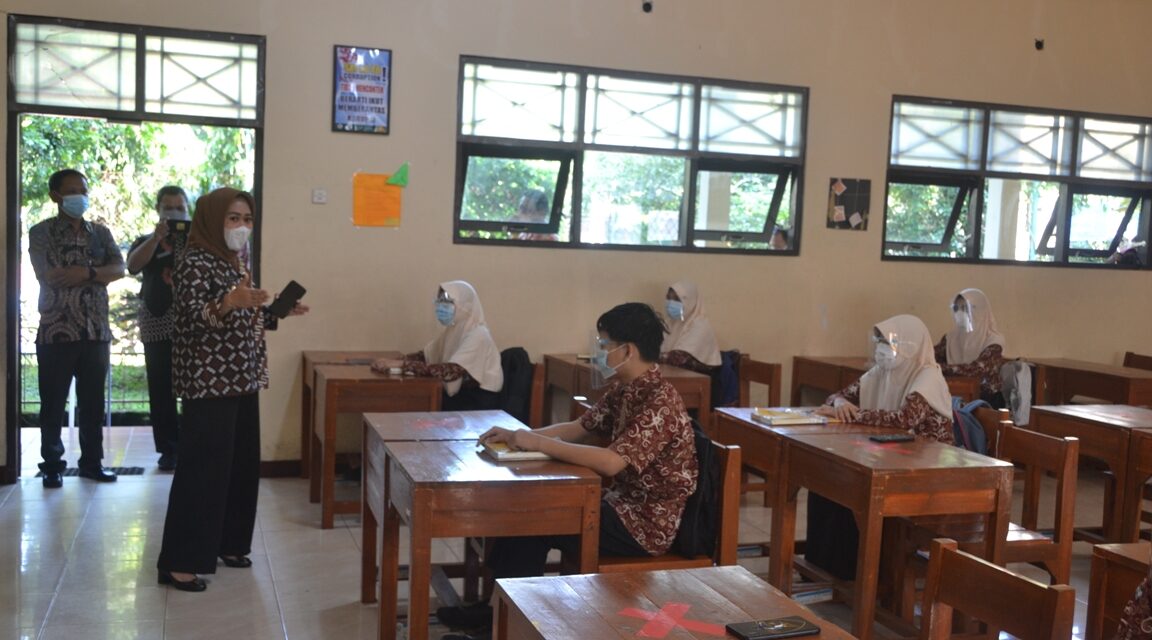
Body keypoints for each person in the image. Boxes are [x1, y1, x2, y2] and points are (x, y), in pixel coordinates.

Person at [436, 303, 698, 640]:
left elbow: (611, 461)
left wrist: (538, 444)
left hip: (644, 523)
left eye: (605, 345)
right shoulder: (627, 388)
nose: (601, 353)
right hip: (619, 504)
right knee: (524, 507)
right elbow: (580, 426)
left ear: (628, 350)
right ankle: (495, 610)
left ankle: (503, 628)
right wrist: (520, 438)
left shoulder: (660, 401)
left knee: (538, 520)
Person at [156, 187, 308, 592]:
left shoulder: (234, 260)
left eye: (247, 219)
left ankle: (229, 543)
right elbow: (191, 317)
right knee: (202, 470)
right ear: (211, 219)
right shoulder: (192, 260)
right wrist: (228, 302)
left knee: (239, 467)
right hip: (208, 381)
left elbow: (245, 314)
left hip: (242, 377)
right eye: (232, 218)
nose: (241, 227)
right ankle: (179, 561)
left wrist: (275, 311)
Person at [807, 314, 953, 580]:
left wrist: (856, 414)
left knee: (848, 485)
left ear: (910, 344)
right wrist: (840, 405)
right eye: (880, 342)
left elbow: (904, 419)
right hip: (889, 459)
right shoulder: (881, 372)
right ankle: (834, 568)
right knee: (828, 481)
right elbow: (838, 396)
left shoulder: (927, 375)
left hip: (924, 471)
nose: (882, 349)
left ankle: (869, 573)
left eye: (889, 342)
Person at [28, 169, 126, 488]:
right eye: (71, 191)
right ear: (55, 195)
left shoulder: (99, 233)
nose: (79, 196)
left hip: (95, 331)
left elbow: (120, 268)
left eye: (83, 190)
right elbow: (48, 273)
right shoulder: (41, 232)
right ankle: (53, 465)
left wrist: (83, 273)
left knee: (93, 403)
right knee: (53, 403)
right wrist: (98, 273)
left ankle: (92, 463)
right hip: (56, 330)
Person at [127, 185, 191, 471]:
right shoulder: (146, 240)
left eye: (180, 207)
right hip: (156, 322)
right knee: (161, 388)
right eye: (169, 207)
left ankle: (192, 446)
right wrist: (157, 237)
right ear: (158, 210)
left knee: (193, 388)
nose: (175, 212)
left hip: (194, 325)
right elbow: (132, 266)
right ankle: (168, 450)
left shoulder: (199, 241)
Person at [372, 280, 503, 410]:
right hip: (461, 397)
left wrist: (403, 365)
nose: (441, 306)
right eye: (440, 301)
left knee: (414, 406)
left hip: (478, 403)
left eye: (447, 302)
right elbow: (425, 355)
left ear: (464, 305)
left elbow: (451, 371)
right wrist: (392, 362)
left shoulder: (478, 334)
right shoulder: (454, 330)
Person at [933, 288, 1006, 406]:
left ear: (980, 310)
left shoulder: (994, 340)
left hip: (986, 402)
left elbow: (978, 370)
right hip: (956, 394)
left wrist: (938, 367)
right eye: (956, 309)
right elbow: (929, 356)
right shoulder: (951, 338)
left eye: (965, 308)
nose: (959, 313)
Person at [659, 281, 721, 374]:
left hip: (700, 382)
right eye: (668, 298)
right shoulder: (670, 323)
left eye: (676, 299)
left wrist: (646, 356)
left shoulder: (701, 325)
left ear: (691, 301)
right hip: (676, 376)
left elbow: (679, 359)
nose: (671, 303)